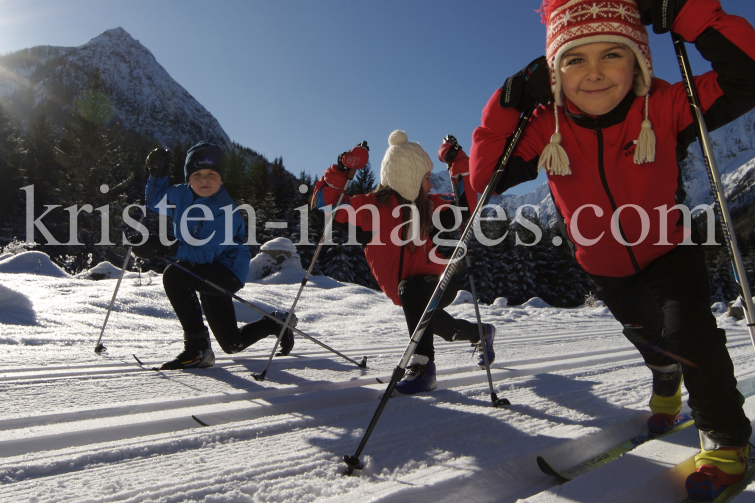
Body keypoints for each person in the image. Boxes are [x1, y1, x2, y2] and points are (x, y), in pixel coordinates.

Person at [470, 0, 755, 497]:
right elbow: (483, 180)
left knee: (689, 333)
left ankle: (726, 437)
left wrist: (689, 13)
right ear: (554, 72)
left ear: (637, 61)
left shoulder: (665, 104)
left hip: (668, 249)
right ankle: (665, 379)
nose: (594, 71)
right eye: (575, 59)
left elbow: (753, 74)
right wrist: (507, 102)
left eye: (613, 53)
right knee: (649, 338)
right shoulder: (547, 125)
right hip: (602, 264)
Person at [312, 131, 495, 394]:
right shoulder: (370, 210)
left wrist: (458, 163)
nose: (431, 185)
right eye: (426, 178)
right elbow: (323, 205)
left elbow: (467, 209)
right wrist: (343, 166)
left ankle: (422, 368)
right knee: (434, 323)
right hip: (406, 291)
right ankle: (482, 333)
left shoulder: (428, 207)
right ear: (409, 178)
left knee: (413, 294)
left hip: (438, 282)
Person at [140, 142, 297, 370]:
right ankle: (277, 324)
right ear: (188, 178)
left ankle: (197, 349)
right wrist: (158, 173)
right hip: (201, 268)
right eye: (197, 174)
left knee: (174, 275)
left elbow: (205, 254)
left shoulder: (224, 209)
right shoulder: (180, 195)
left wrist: (167, 248)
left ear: (221, 179)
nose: (204, 179)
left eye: (211, 174)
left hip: (226, 271)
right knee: (233, 344)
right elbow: (154, 201)